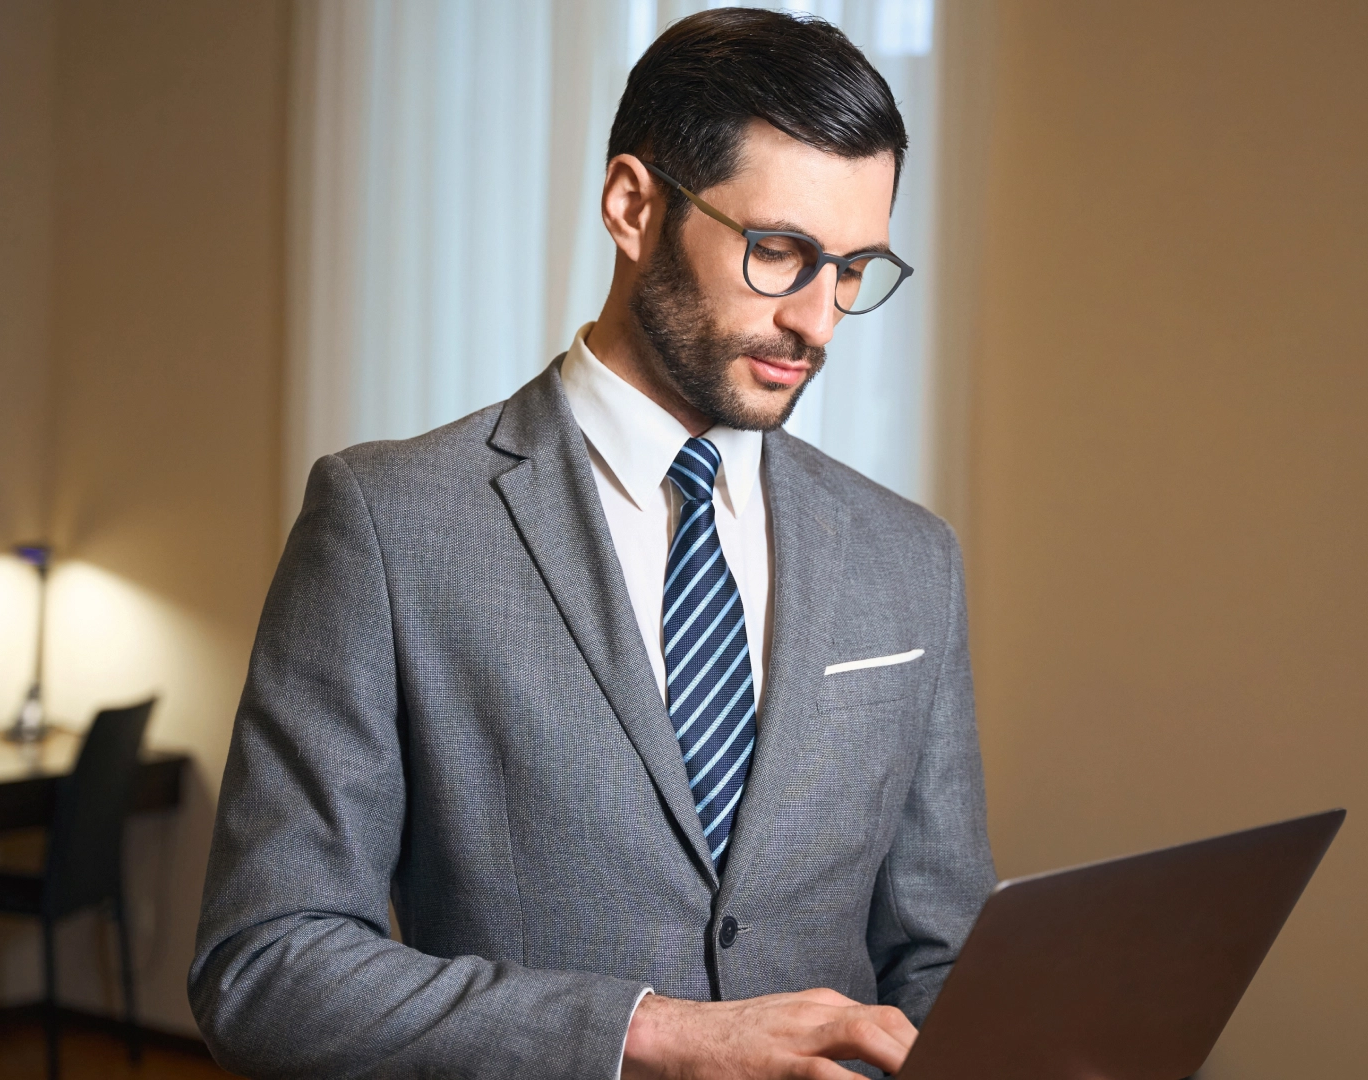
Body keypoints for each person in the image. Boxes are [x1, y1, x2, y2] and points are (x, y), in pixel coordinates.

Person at [189, 9, 994, 1079]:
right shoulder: (388, 524)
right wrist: (651, 1035)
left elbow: (940, 959)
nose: (819, 320)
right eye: (780, 252)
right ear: (632, 206)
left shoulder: (912, 559)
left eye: (854, 268)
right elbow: (264, 963)